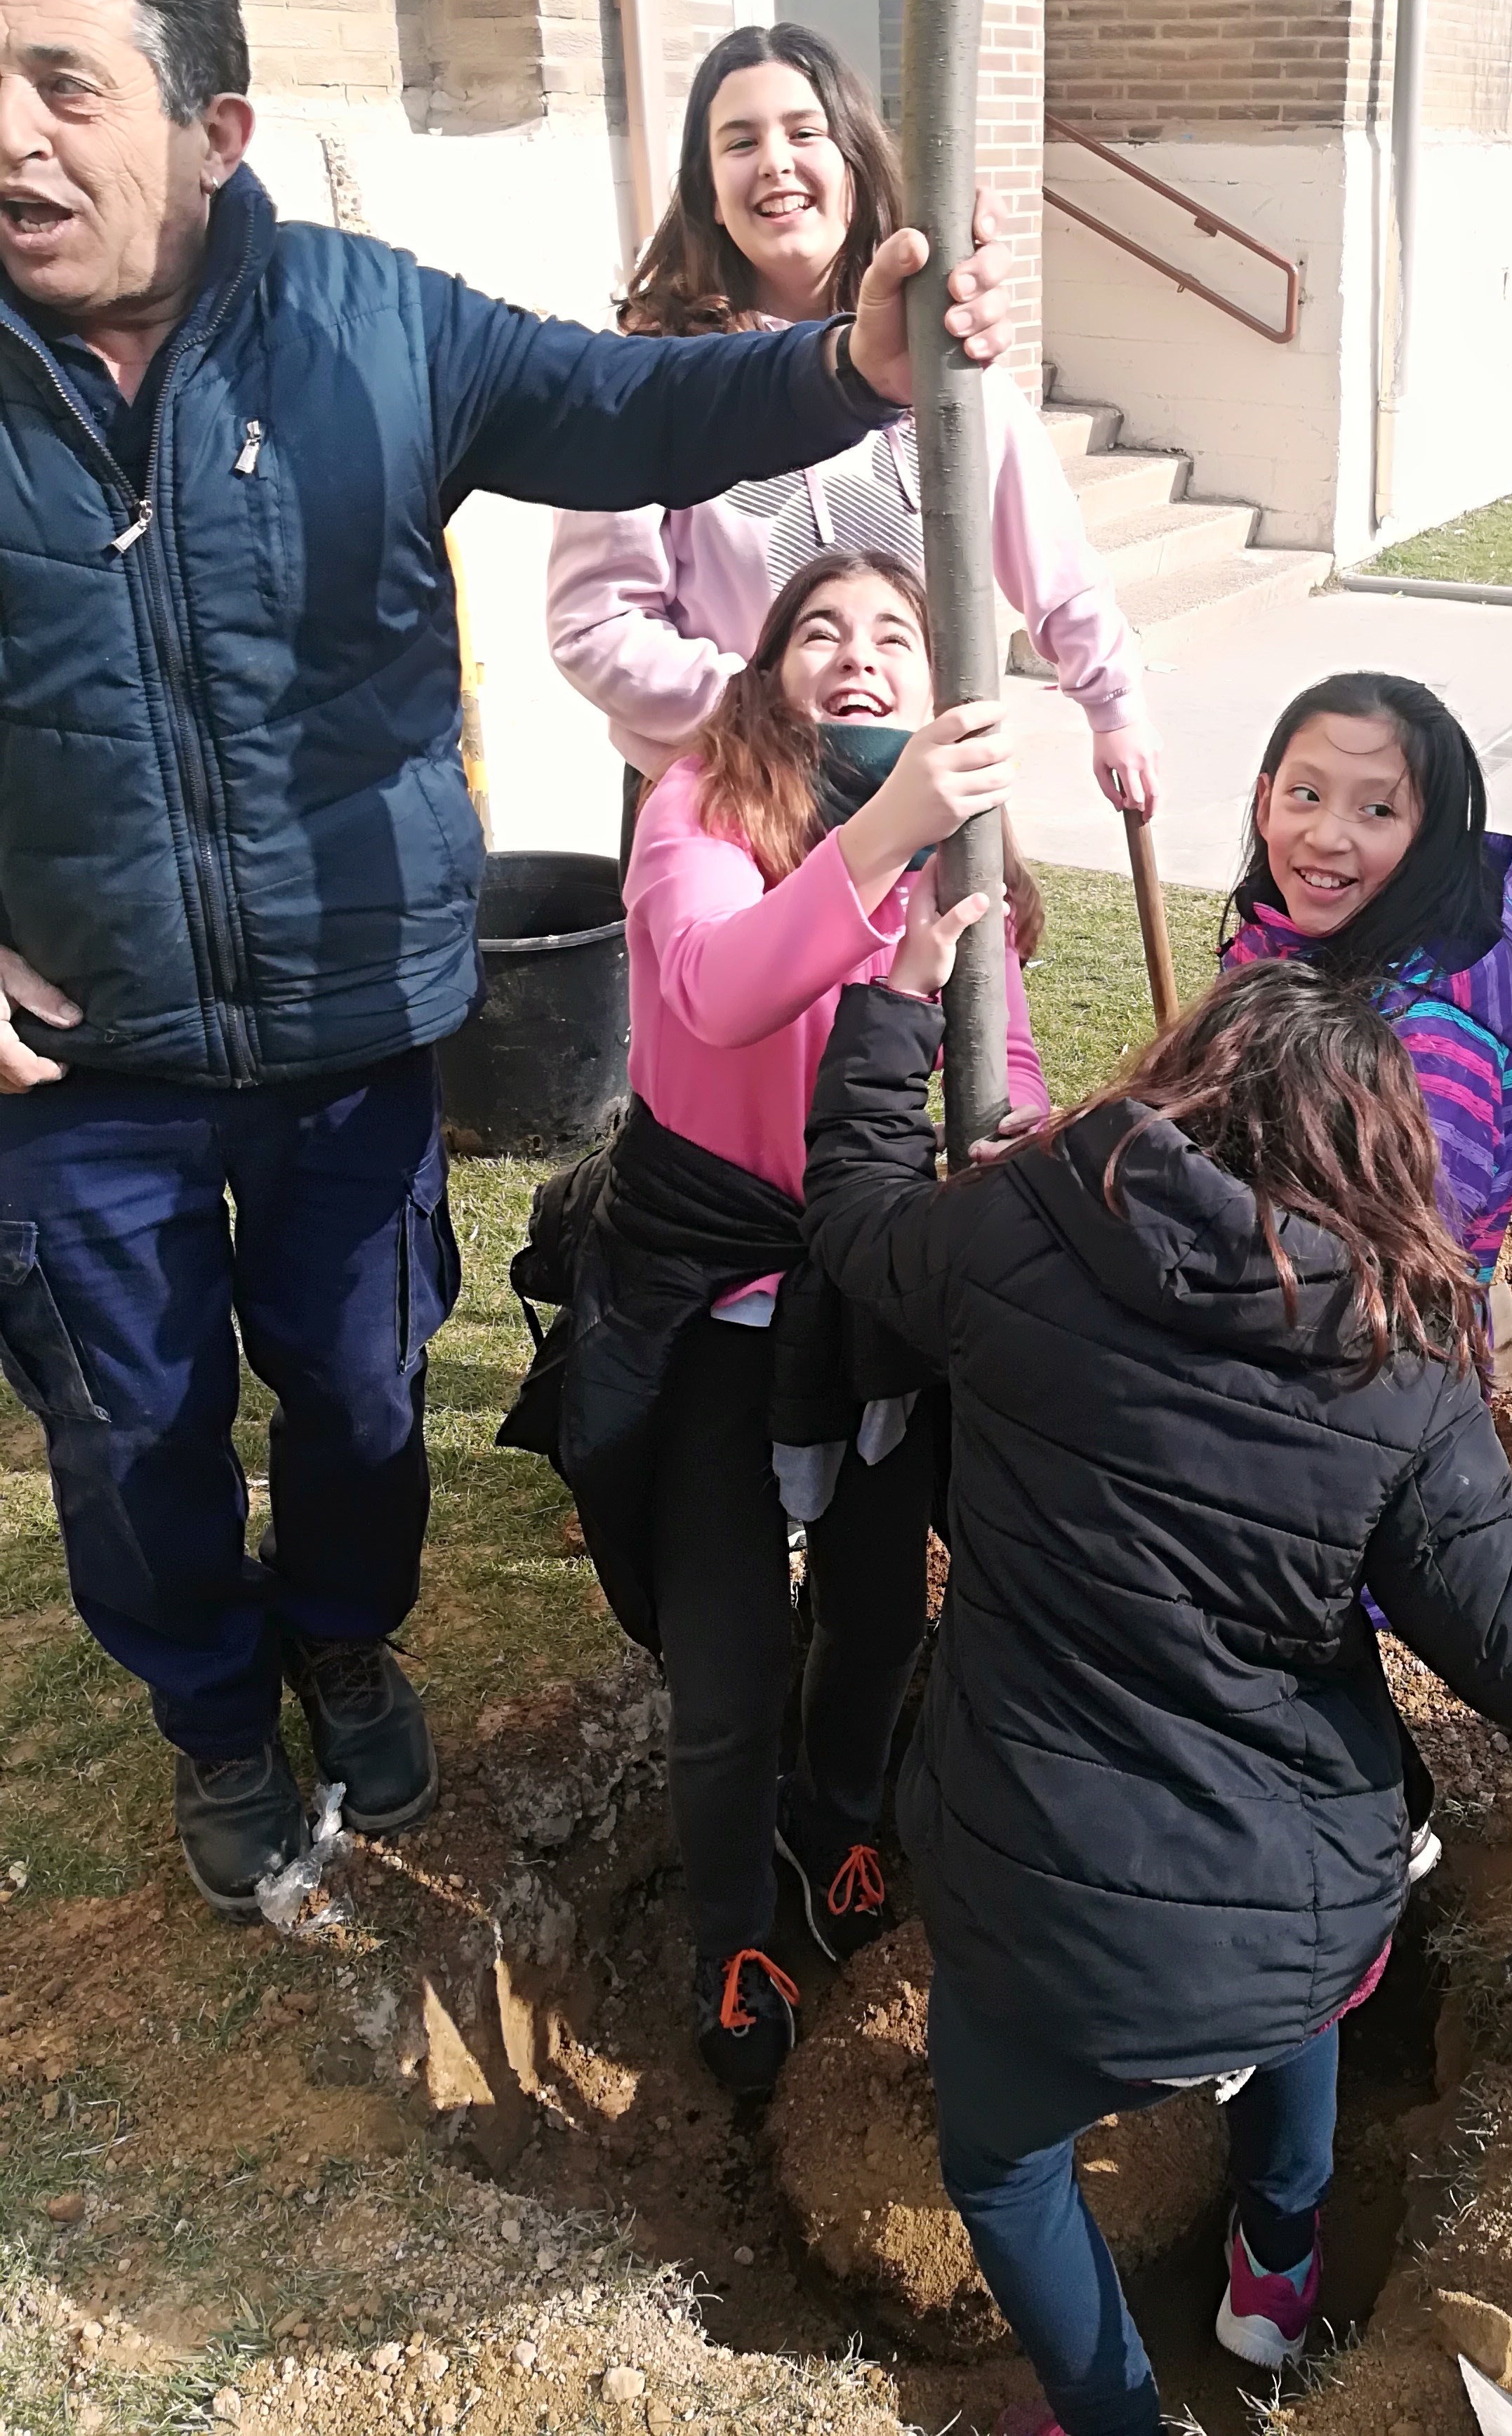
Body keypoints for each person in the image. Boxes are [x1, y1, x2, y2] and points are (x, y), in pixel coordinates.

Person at [0, 0, 1021, 1921]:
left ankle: (345, 1637)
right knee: (131, 1430)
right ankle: (216, 1717)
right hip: (74, 1050)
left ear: (212, 130)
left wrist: (846, 364)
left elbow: (630, 405)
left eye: (62, 84)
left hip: (352, 1022)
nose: (12, 137)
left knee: (362, 1385)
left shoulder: (376, 328)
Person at [801, 942, 1512, 2435]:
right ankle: (1277, 2273)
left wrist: (890, 1007)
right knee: (1297, 1994)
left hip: (1029, 1904)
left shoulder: (1011, 1224)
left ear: (1179, 1085)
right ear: (1378, 1158)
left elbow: (855, 1212)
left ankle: (1115, 2417)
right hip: (1286, 1911)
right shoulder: (1395, 1359)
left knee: (1002, 2162)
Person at [547, 545, 1046, 2096]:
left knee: (880, 1607)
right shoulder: (700, 802)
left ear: (937, 677)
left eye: (896, 631)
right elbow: (715, 988)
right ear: (767, 670)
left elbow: (1008, 1055)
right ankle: (729, 1931)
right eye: (818, 629)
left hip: (871, 1283)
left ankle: (836, 1821)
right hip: (714, 1291)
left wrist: (1011, 1140)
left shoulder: (961, 849)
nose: (858, 652)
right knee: (728, 1656)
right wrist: (888, 833)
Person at [544, 22, 1159, 862]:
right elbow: (596, 622)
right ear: (707, 190)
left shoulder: (941, 362)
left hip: (912, 789)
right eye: (740, 142)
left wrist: (1113, 705)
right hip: (722, 806)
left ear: (857, 164)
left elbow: (1053, 560)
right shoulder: (651, 382)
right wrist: (768, 719)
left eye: (805, 132)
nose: (775, 162)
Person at [1221, 673, 1512, 1302]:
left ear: (1430, 843)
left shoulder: (1433, 1050)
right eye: (1305, 794)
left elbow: (1392, 1285)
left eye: (1377, 810)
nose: (1327, 836)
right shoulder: (1273, 950)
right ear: (1265, 803)